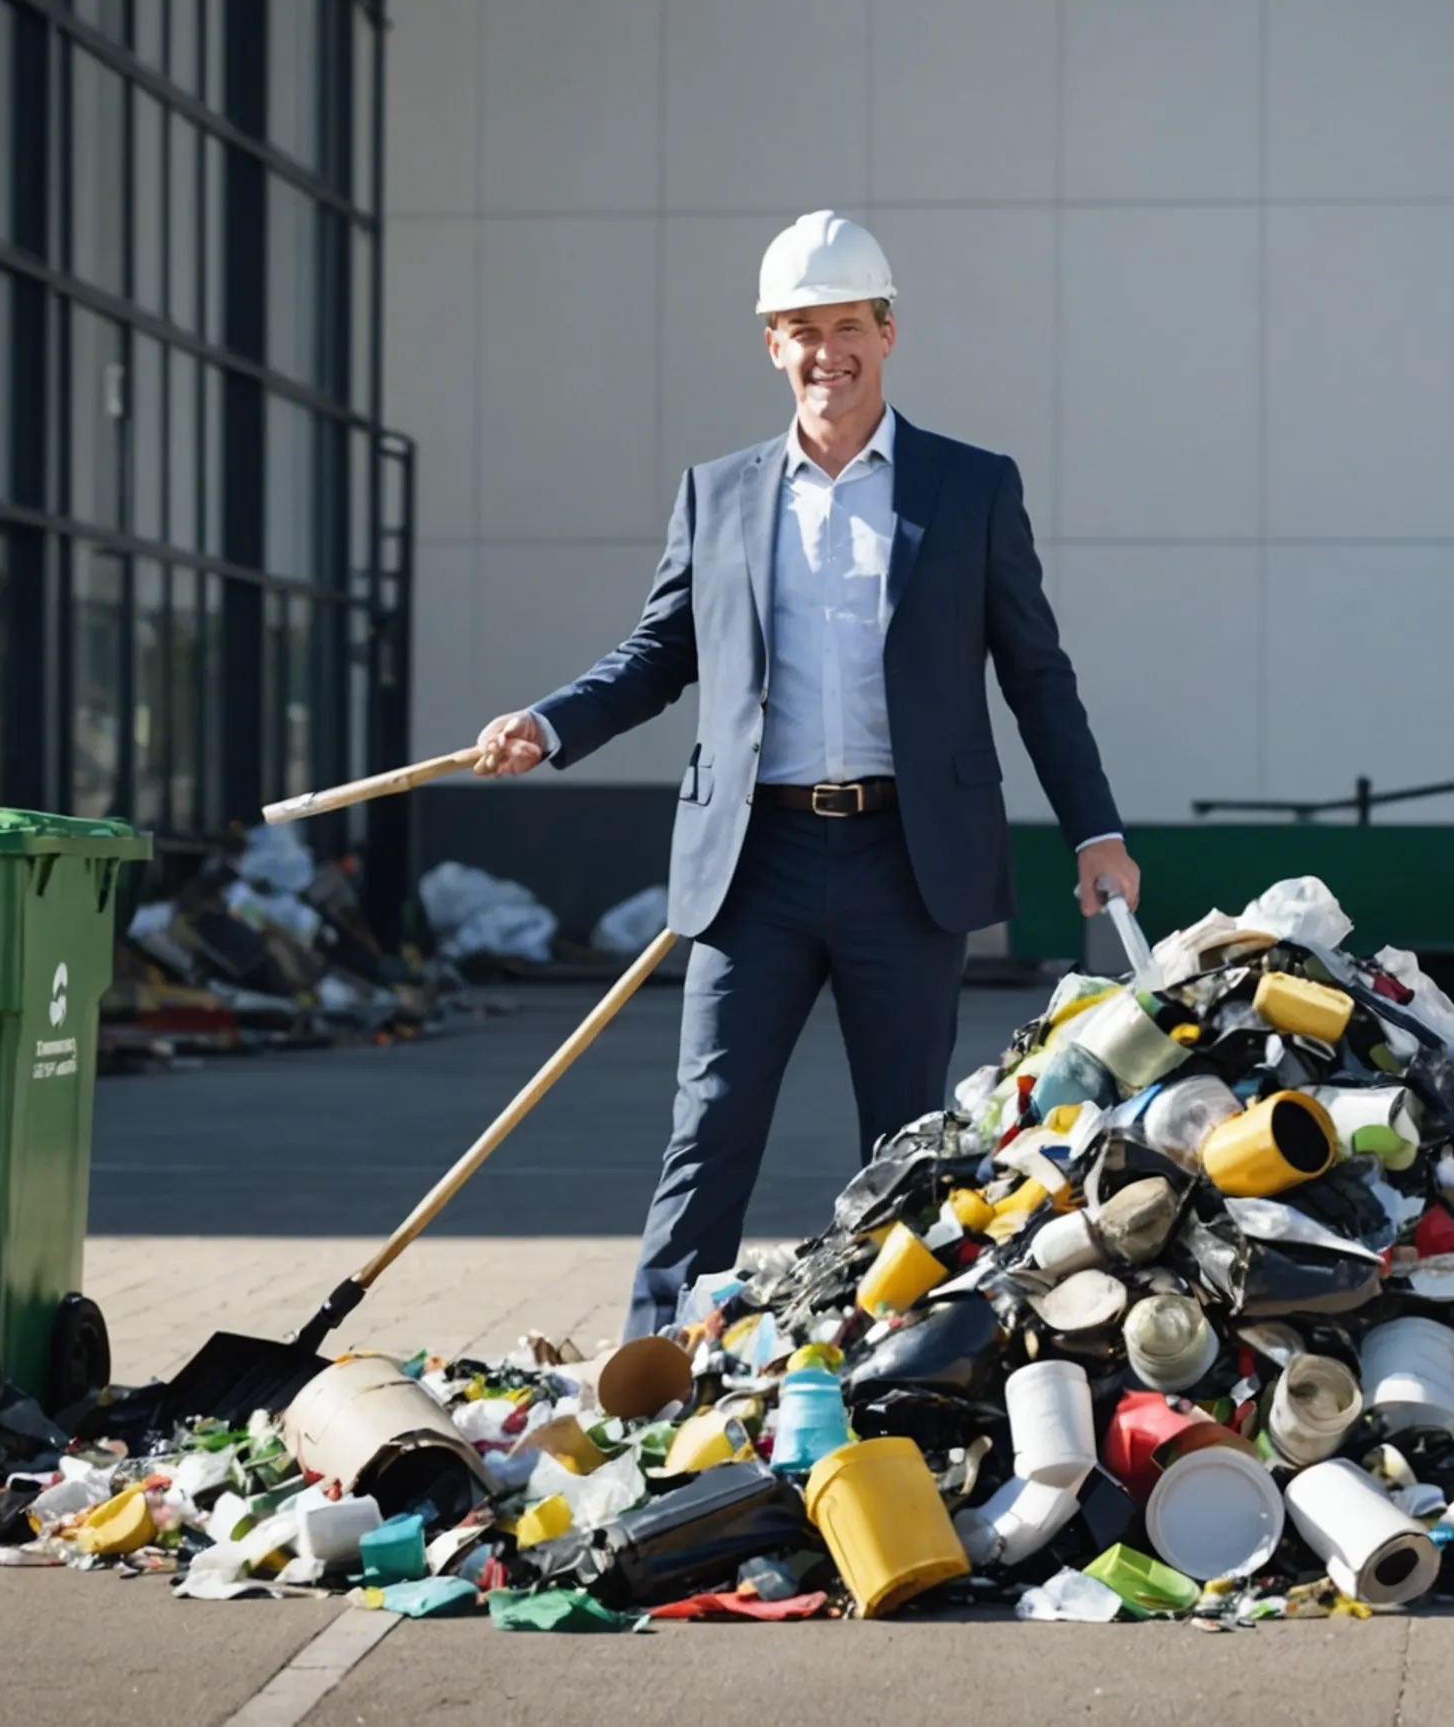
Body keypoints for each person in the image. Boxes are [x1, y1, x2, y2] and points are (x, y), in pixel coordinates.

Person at [476, 212, 1139, 1335]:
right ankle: (658, 1364)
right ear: (771, 345)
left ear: (888, 333)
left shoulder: (970, 489)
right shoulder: (721, 493)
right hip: (756, 861)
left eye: (847, 326)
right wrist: (551, 723)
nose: (826, 350)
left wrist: (1094, 830)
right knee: (713, 1122)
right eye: (800, 330)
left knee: (907, 1140)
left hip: (906, 857)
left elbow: (1036, 670)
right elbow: (659, 655)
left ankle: (907, 1360)